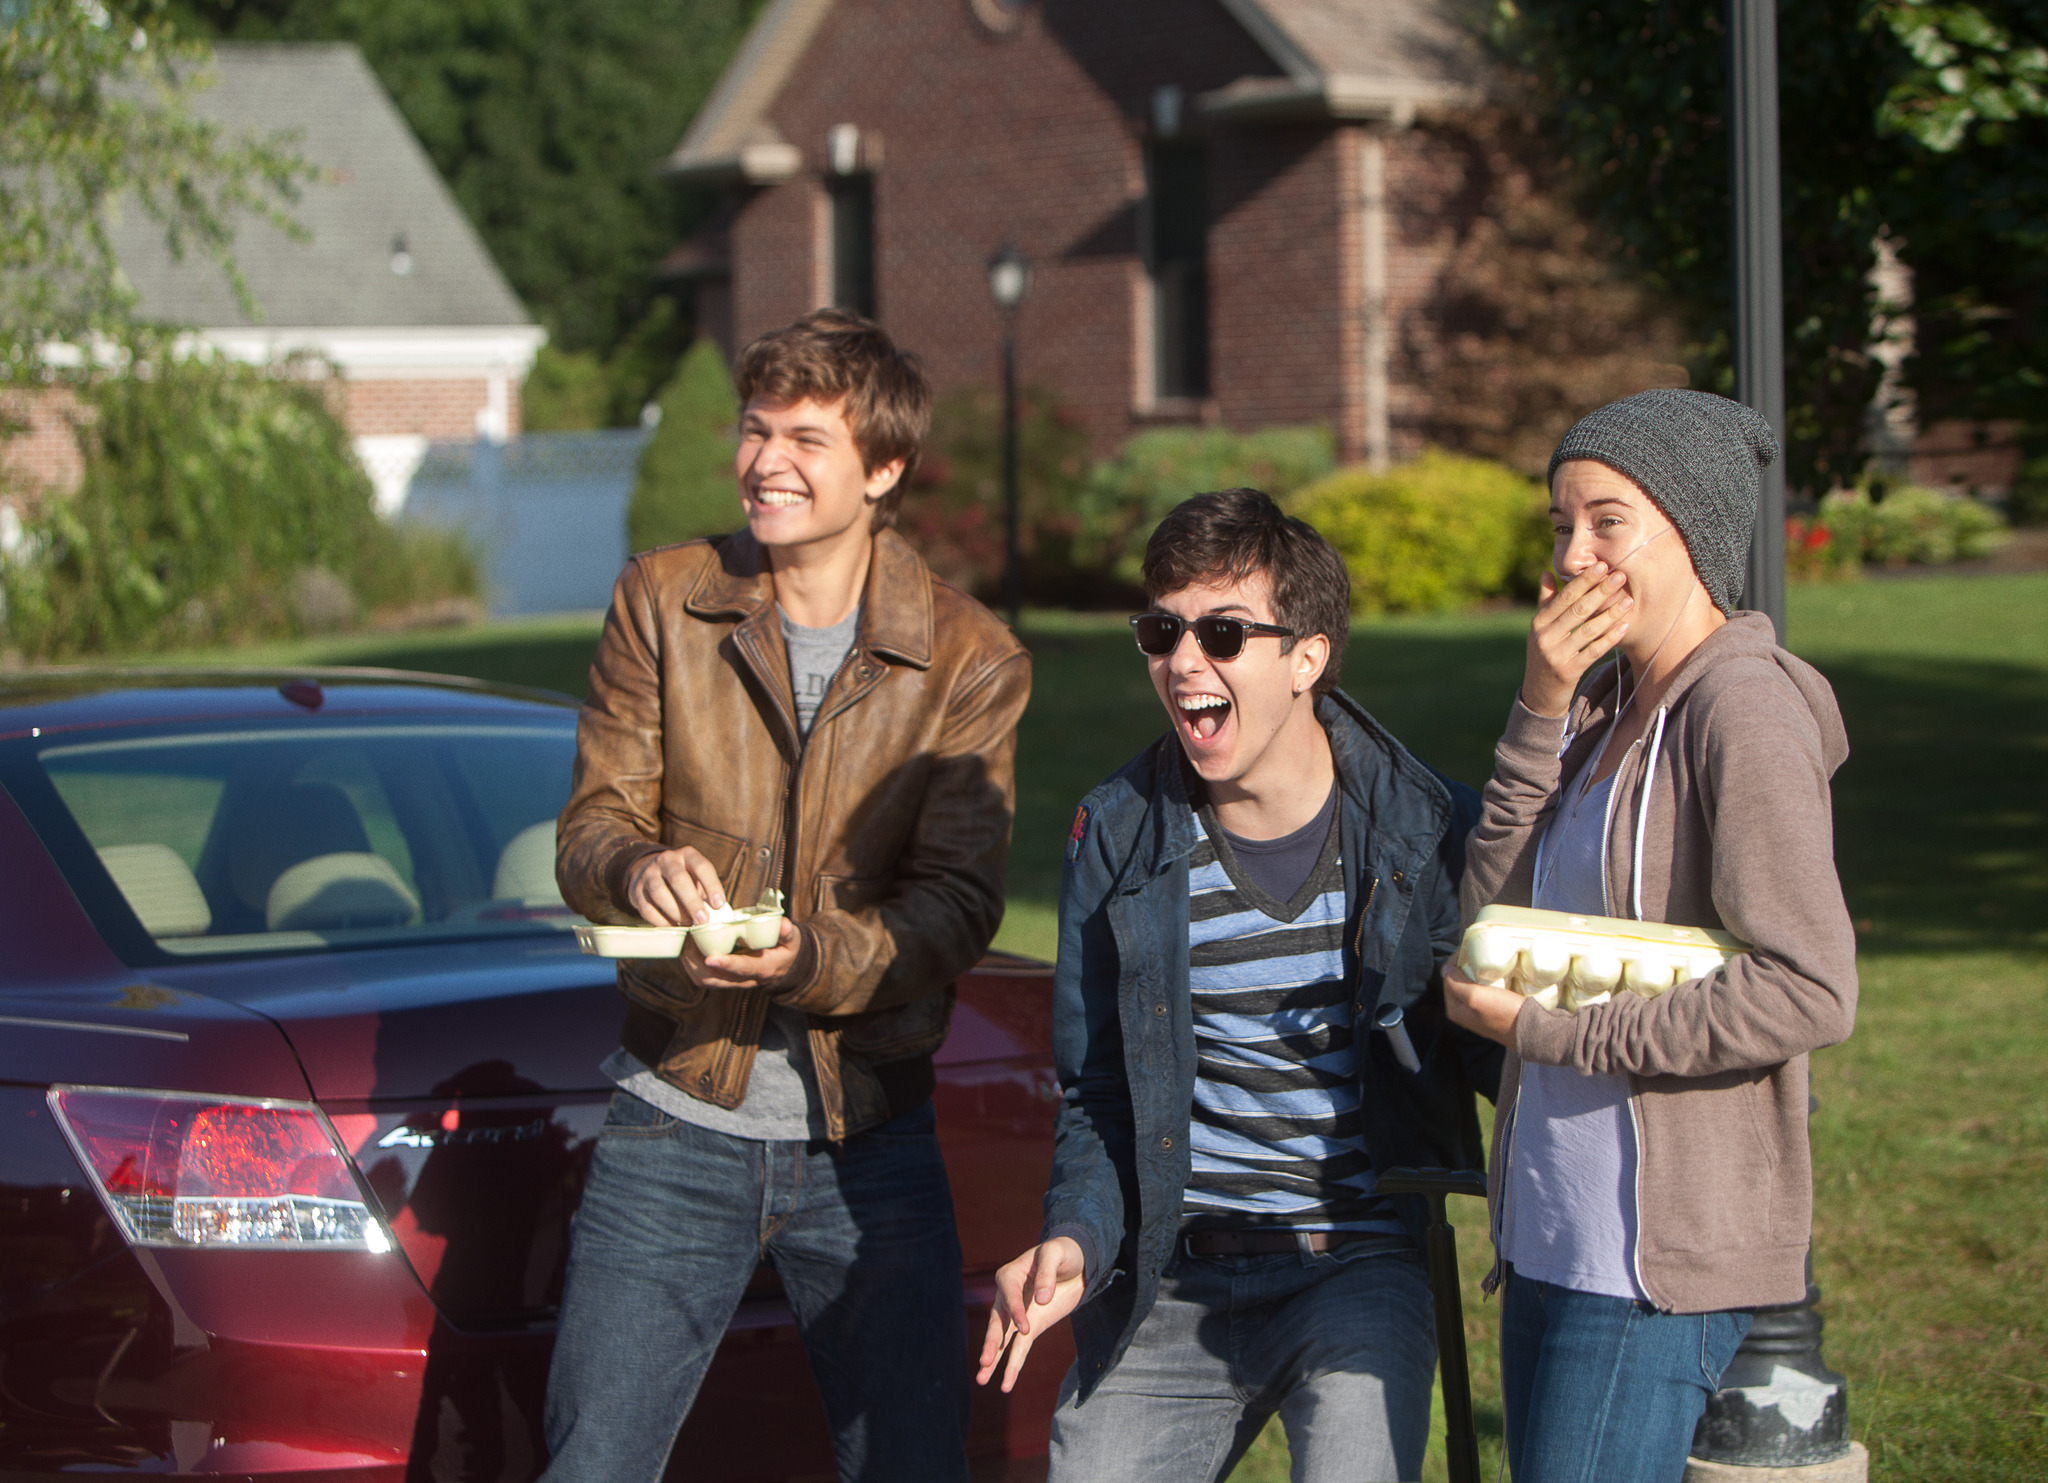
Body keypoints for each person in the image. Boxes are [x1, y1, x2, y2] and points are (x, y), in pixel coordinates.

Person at [545, 309, 1032, 1483]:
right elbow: (592, 822)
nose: (766, 460)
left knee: (913, 1467)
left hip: (868, 1140)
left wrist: (805, 957)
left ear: (883, 469)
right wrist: (632, 865)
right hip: (671, 1112)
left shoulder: (969, 657)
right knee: (590, 1466)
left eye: (806, 438)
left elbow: (956, 907)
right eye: (757, 429)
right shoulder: (663, 602)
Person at [977, 489, 1501, 1483]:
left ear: (1306, 657)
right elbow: (1095, 1092)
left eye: (1221, 632)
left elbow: (1496, 1051)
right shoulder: (1117, 832)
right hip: (1170, 1273)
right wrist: (1077, 1238)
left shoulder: (1421, 830)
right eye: (1161, 630)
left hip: (1353, 1258)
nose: (1183, 660)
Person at [1443, 389, 1859, 1483]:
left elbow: (1808, 988)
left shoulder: (1742, 710)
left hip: (1654, 1264)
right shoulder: (1595, 709)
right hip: (1550, 1230)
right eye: (1559, 525)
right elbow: (1485, 916)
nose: (1574, 555)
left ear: (1693, 530)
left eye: (1607, 521)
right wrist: (1539, 705)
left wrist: (1550, 1032)